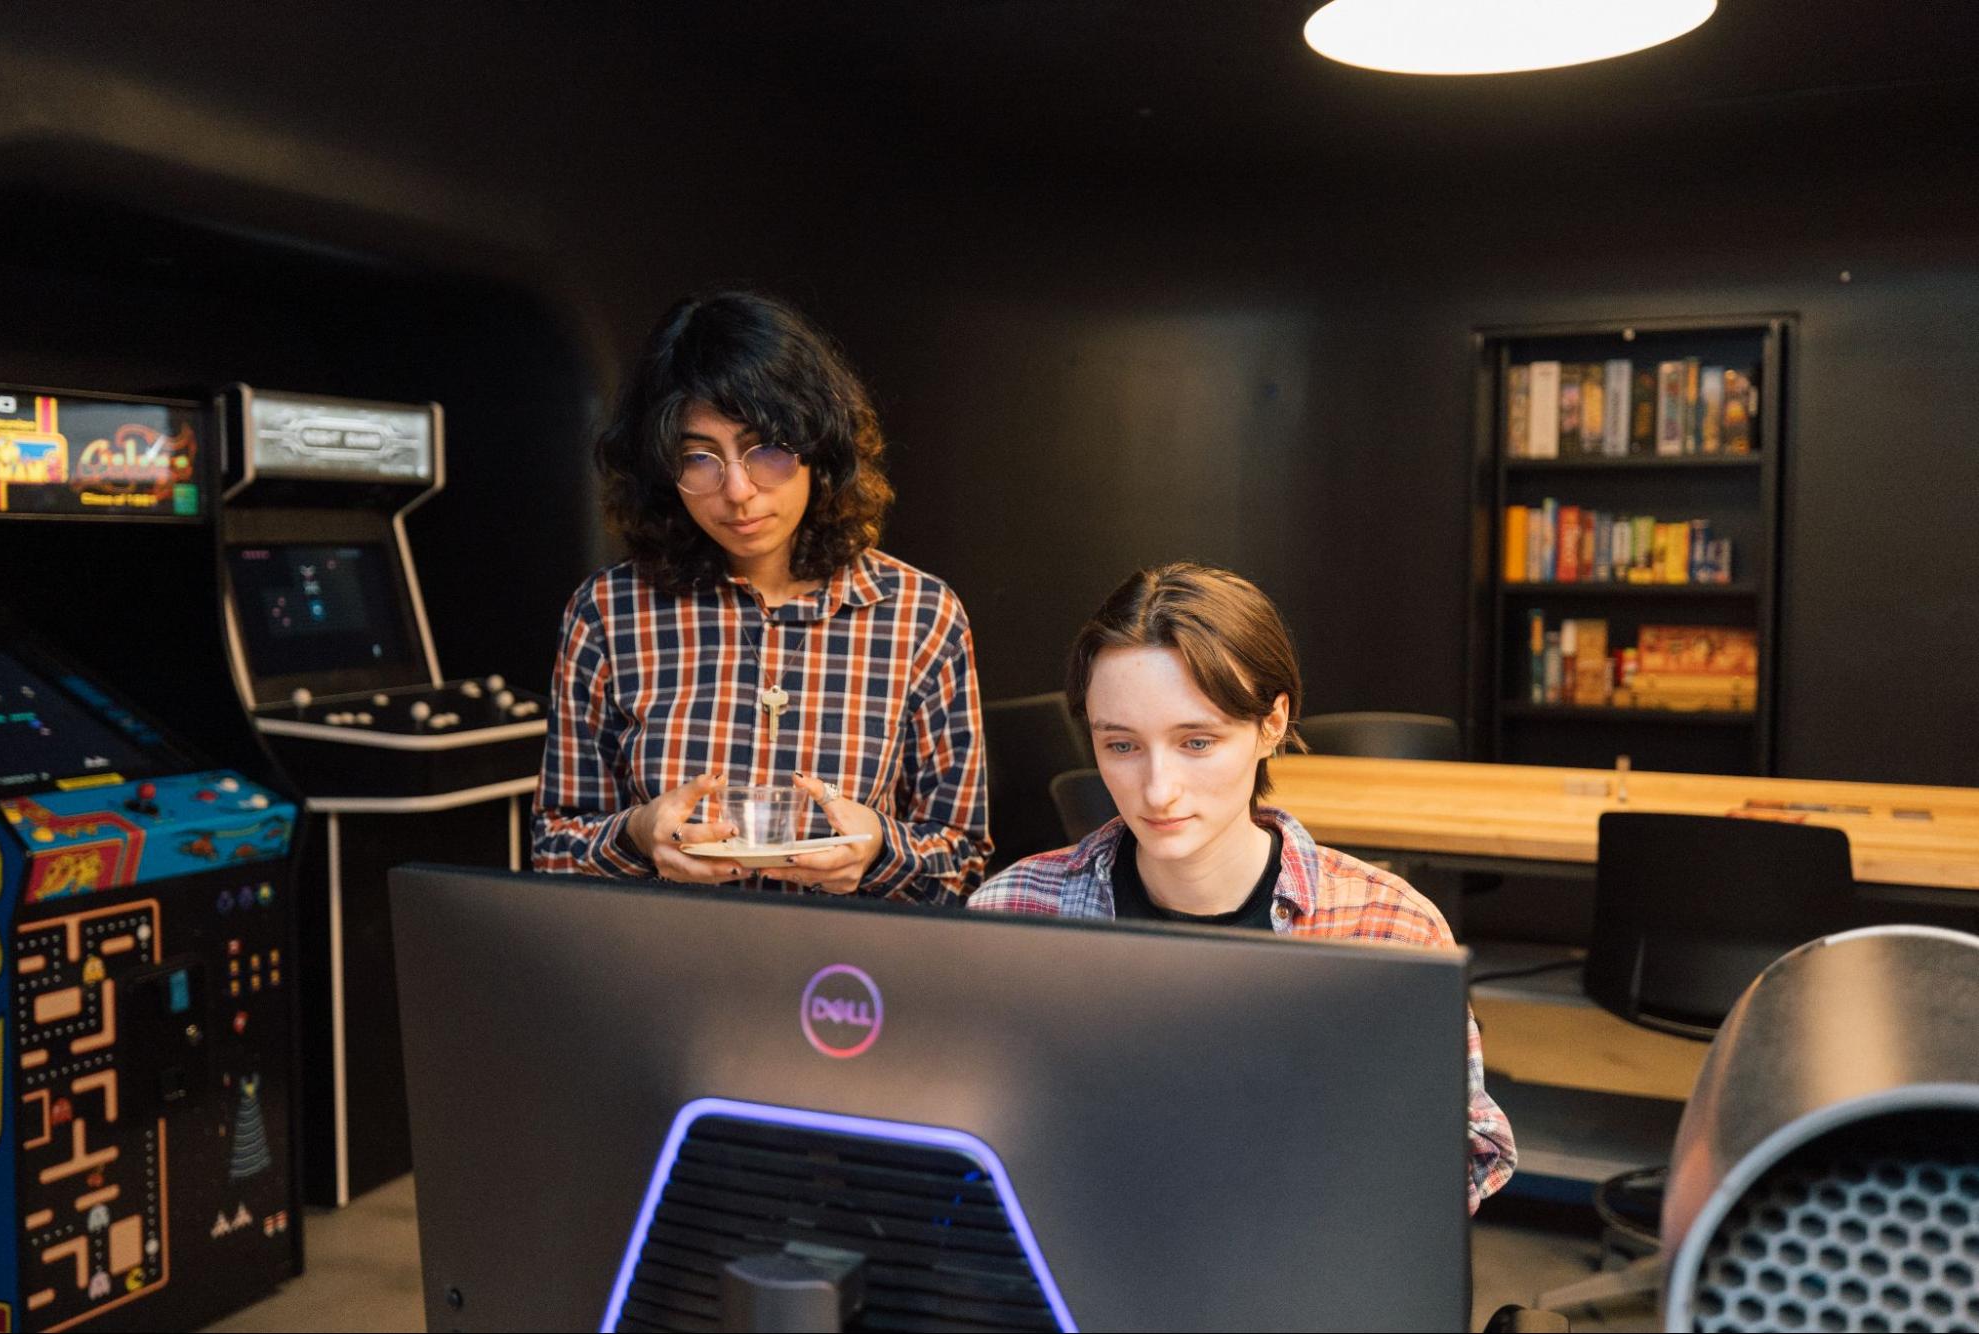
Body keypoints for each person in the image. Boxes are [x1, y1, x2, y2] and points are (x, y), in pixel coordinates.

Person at [970, 562, 1515, 1211]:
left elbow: (1470, 1150)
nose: (1157, 789)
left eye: (1196, 742)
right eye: (1120, 746)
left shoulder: (1386, 926)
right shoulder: (1013, 912)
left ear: (1271, 723)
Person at [533, 291, 989, 904]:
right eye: (700, 458)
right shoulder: (610, 612)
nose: (738, 491)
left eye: (766, 450)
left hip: (845, 984)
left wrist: (879, 849)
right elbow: (553, 850)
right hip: (662, 971)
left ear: (817, 444)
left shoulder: (918, 614)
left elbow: (964, 862)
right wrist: (637, 835)